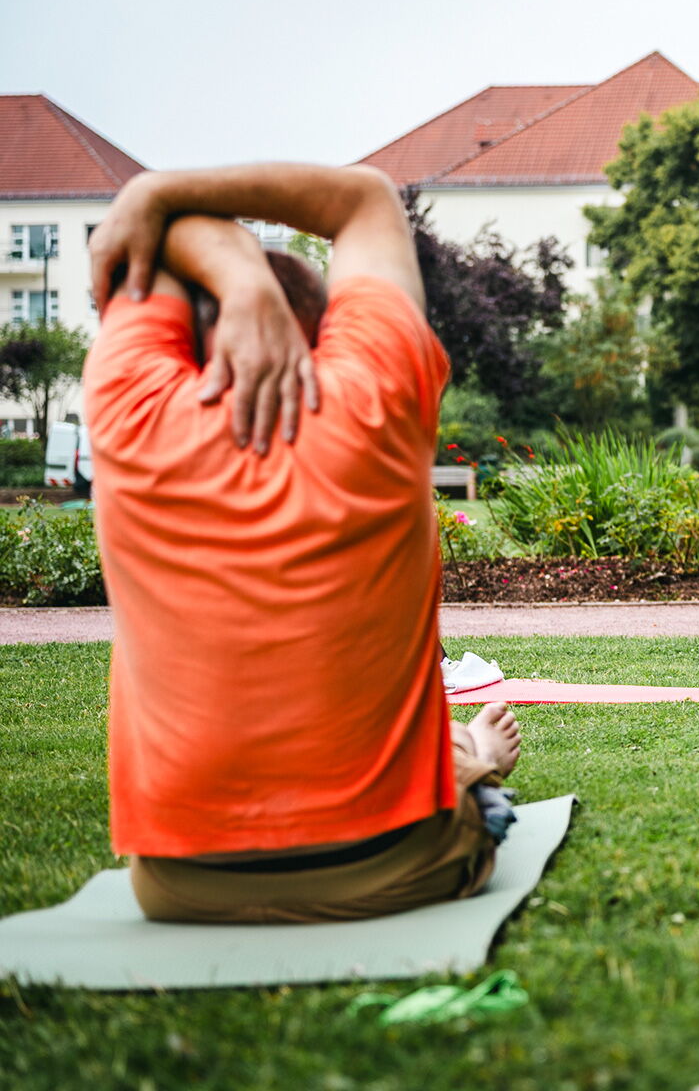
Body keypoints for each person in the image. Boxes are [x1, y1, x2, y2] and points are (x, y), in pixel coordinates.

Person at [84, 162, 525, 923]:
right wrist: (157, 193)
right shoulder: (374, 397)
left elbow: (138, 247)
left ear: (190, 335)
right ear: (327, 333)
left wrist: (233, 272)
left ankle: (461, 753)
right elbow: (365, 199)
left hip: (182, 884)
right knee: (467, 769)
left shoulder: (130, 411)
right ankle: (471, 759)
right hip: (399, 862)